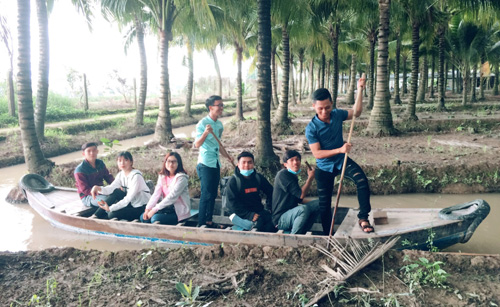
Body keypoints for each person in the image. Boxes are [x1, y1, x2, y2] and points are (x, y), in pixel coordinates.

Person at [305, 74, 374, 234]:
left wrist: (360, 90)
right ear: (314, 106)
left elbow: (356, 112)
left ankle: (363, 217)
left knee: (362, 181)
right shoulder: (311, 128)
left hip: (341, 161)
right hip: (324, 167)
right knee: (324, 203)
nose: (324, 111)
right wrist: (340, 149)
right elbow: (318, 154)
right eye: (320, 108)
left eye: (327, 107)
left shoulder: (337, 114)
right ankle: (327, 233)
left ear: (331, 104)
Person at [194, 95, 234, 228]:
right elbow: (197, 145)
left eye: (222, 105)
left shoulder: (220, 125)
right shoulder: (202, 124)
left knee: (213, 193)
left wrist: (227, 156)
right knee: (206, 193)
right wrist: (205, 133)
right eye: (219, 105)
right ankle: (201, 223)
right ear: (211, 107)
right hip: (205, 163)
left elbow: (218, 145)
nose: (221, 108)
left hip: (216, 162)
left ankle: (209, 220)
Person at [90, 151, 151, 221]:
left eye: (126, 160)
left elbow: (128, 198)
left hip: (141, 207)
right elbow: (111, 188)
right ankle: (95, 215)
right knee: (116, 191)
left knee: (111, 214)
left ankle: (106, 212)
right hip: (132, 203)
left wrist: (110, 208)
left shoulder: (136, 176)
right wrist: (98, 188)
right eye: (119, 160)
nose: (122, 163)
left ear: (131, 162)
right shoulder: (121, 175)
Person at [271, 150, 320, 235]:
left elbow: (299, 200)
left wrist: (316, 201)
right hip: (281, 219)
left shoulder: (292, 176)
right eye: (292, 160)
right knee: (302, 209)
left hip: (292, 213)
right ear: (285, 164)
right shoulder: (283, 174)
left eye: (297, 159)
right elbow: (301, 195)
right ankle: (294, 237)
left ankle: (303, 230)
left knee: (320, 203)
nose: (295, 162)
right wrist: (310, 179)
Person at [225, 151, 274, 232]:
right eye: (243, 162)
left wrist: (269, 207)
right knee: (257, 226)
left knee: (273, 222)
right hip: (238, 214)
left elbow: (271, 192)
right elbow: (232, 204)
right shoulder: (233, 181)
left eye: (249, 162)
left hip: (257, 212)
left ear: (253, 164)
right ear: (238, 164)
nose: (246, 165)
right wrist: (249, 215)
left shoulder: (258, 178)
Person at [141, 152, 191, 225]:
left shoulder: (181, 178)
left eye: (174, 162)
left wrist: (154, 210)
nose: (171, 164)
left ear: (178, 163)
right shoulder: (162, 176)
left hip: (177, 211)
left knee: (155, 219)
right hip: (165, 208)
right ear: (165, 162)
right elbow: (156, 194)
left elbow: (172, 197)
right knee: (143, 217)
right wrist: (148, 209)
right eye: (168, 161)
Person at [74, 142, 114, 211]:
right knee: (106, 200)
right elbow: (85, 190)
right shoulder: (80, 170)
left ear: (97, 151)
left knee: (120, 193)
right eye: (89, 151)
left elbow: (108, 177)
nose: (92, 153)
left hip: (101, 191)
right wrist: (102, 192)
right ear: (83, 154)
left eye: (94, 150)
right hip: (88, 196)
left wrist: (116, 185)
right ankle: (105, 215)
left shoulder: (100, 163)